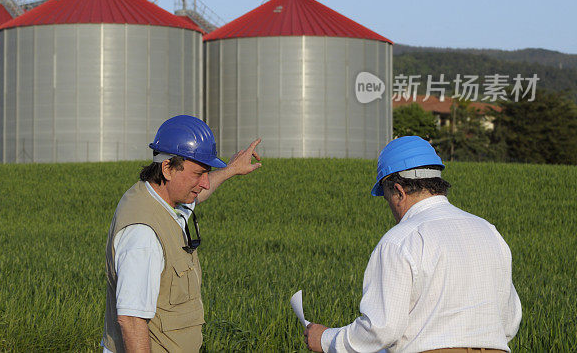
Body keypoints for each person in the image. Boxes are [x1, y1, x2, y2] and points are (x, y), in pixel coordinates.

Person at [304, 135, 522, 353]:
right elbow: (509, 322)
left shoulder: (400, 240)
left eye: (386, 197)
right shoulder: (488, 231)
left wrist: (325, 339)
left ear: (398, 191)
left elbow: (381, 330)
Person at [102, 115, 261, 352]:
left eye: (207, 173)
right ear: (167, 168)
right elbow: (132, 321)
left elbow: (198, 196)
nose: (205, 183)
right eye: (198, 174)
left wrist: (231, 170)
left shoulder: (164, 200)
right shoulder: (143, 234)